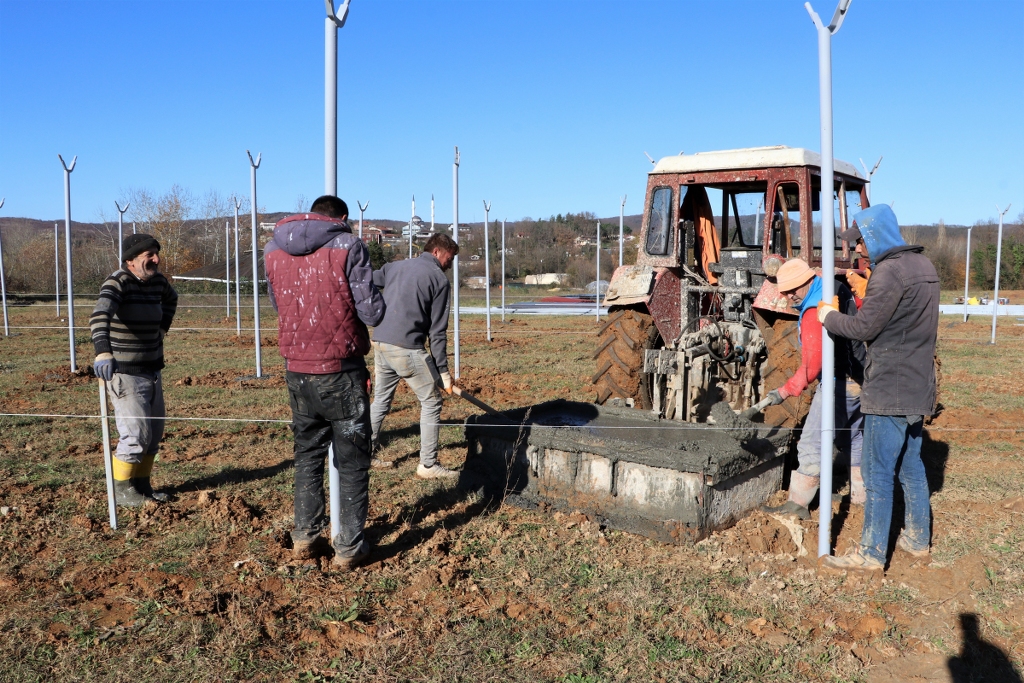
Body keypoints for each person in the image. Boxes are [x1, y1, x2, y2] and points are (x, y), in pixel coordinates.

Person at [265, 195, 385, 569]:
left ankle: (306, 536)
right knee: (351, 460)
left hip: (296, 368)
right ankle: (349, 546)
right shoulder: (349, 245)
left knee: (307, 453)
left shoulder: (272, 249)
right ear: (343, 218)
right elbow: (371, 311)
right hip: (340, 370)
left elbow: (276, 302)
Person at [817, 204, 939, 571]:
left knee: (877, 472)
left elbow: (863, 329)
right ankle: (918, 539)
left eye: (860, 242)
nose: (857, 250)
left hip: (890, 388)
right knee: (911, 465)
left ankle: (870, 554)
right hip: (919, 385)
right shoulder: (924, 267)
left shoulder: (890, 273)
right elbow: (902, 320)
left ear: (874, 237)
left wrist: (829, 317)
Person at [762, 258, 866, 520]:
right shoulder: (835, 287)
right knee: (853, 438)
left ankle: (797, 506)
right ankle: (860, 497)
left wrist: (785, 391)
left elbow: (811, 365)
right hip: (860, 377)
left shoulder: (813, 309)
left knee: (811, 442)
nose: (787, 297)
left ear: (803, 283)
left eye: (790, 291)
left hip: (837, 380)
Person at [90, 234, 178, 507]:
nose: (156, 259)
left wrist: (163, 327)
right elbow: (99, 315)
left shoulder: (159, 282)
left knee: (153, 433)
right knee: (136, 434)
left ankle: (142, 485)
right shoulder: (119, 281)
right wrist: (103, 351)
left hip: (153, 368)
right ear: (130, 260)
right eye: (148, 255)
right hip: (125, 372)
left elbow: (172, 299)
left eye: (156, 253)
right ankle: (122, 491)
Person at [369, 233, 460, 480]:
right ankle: (428, 465)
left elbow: (365, 279)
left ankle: (362, 453)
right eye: (449, 259)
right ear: (437, 252)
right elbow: (437, 332)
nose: (450, 265)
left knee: (380, 400)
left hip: (380, 341)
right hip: (405, 347)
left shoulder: (395, 266)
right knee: (431, 402)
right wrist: (443, 372)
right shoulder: (439, 280)